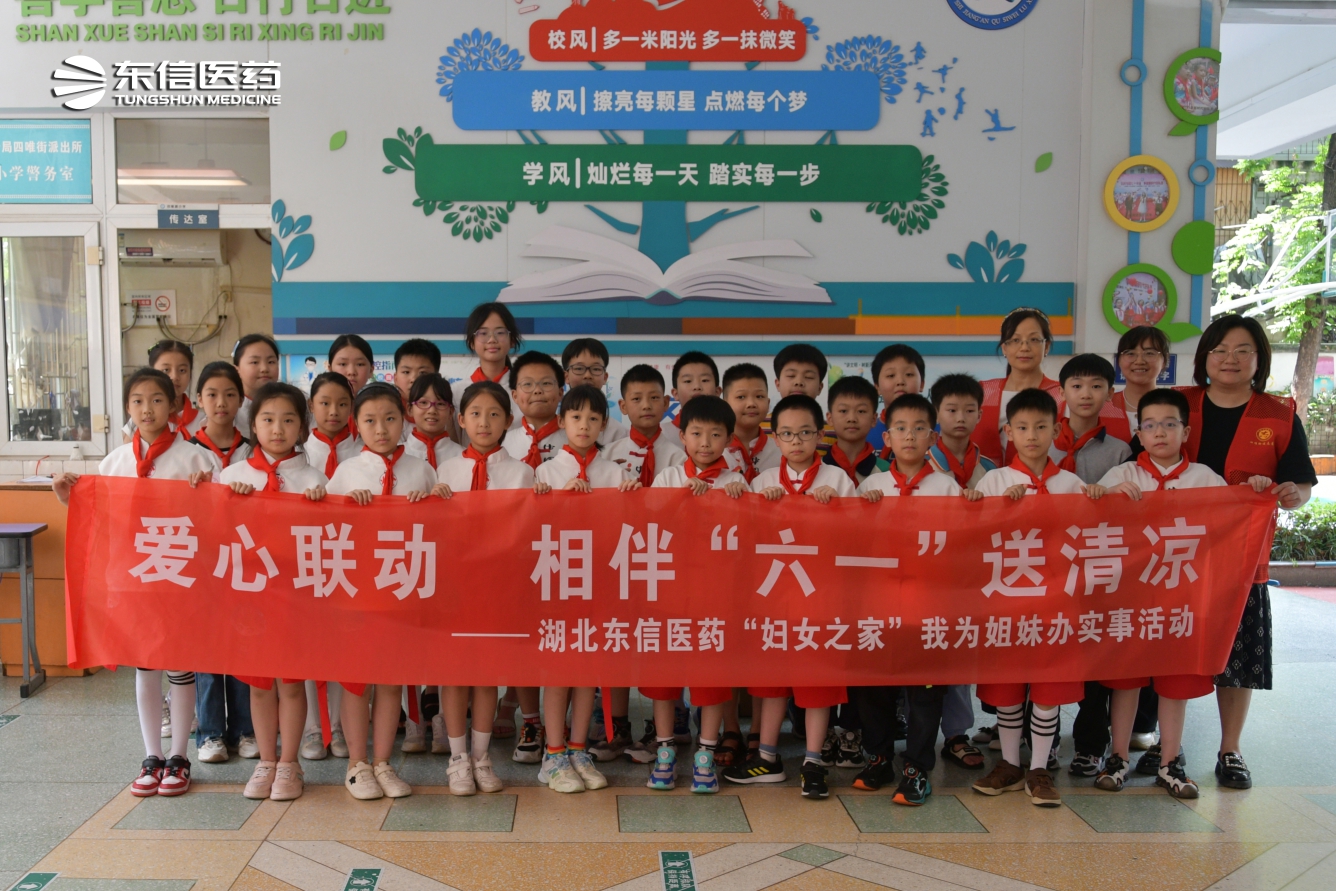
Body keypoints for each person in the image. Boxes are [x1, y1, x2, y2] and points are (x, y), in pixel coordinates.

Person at [54, 368, 215, 797]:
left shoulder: (196, 459)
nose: (148, 409)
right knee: (145, 664)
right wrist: (69, 497)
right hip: (135, 578)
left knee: (179, 665)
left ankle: (179, 756)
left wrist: (207, 488)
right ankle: (152, 755)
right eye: (138, 401)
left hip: (178, 577)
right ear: (128, 408)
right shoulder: (115, 462)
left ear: (174, 405)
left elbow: (218, 518)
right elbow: (100, 517)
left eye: (157, 400)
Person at [1174, 314, 1315, 789]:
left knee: (1237, 657)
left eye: (1242, 350)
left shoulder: (1278, 414)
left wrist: (1293, 493)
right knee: (1170, 648)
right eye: (1219, 350)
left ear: (1259, 359)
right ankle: (1166, 746)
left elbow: (1300, 484)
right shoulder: (1178, 404)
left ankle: (1230, 749)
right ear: (1204, 358)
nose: (1229, 359)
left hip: (1241, 559)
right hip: (1174, 556)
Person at [1092, 388, 1252, 799]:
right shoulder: (1121, 476)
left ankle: (1169, 761)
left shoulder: (1205, 479)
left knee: (1175, 682)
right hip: (1131, 600)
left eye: (1169, 424)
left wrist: (1258, 490)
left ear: (1186, 431)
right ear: (1138, 433)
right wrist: (1105, 496)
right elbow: (1088, 518)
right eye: (1149, 425)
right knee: (1126, 680)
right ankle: (1118, 756)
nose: (1159, 432)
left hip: (1184, 602)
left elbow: (1234, 521)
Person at [971, 388, 1102, 807]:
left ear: (1056, 430)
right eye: (1022, 427)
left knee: (1048, 690)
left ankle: (1040, 768)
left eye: (1041, 427)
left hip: (1056, 604)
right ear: (1008, 431)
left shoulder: (1071, 484)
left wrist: (1098, 502)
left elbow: (1088, 538)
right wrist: (997, 509)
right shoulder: (993, 481)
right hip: (1006, 603)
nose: (1032, 435)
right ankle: (1010, 764)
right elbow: (972, 538)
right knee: (1008, 689)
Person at [729, 394, 854, 798]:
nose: (796, 441)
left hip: (822, 598)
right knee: (772, 679)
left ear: (820, 434)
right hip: (774, 598)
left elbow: (858, 537)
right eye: (786, 433)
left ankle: (813, 761)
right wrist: (756, 508)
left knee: (817, 680)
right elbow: (746, 538)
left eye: (804, 433)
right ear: (775, 437)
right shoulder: (763, 482)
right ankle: (767, 757)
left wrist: (836, 509)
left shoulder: (838, 481)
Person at [326, 382, 439, 801]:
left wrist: (433, 501)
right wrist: (344, 507)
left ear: (404, 419)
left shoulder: (421, 469)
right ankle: (357, 764)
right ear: (356, 424)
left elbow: (440, 527)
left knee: (392, 678)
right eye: (370, 421)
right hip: (356, 590)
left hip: (402, 588)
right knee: (357, 680)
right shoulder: (345, 472)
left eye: (390, 419)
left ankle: (383, 762)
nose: (381, 429)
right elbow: (324, 531)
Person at [221, 383, 329, 802]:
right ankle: (266, 761)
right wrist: (226, 500)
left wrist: (321, 505)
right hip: (251, 597)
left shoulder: (315, 479)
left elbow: (330, 539)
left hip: (296, 596)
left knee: (291, 681)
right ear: (254, 425)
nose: (278, 429)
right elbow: (216, 532)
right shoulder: (232, 476)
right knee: (260, 683)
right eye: (268, 419)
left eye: (288, 420)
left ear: (302, 427)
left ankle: (289, 763)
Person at [856, 394, 965, 804]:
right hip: (879, 606)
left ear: (933, 437)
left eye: (920, 428)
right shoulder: (871, 487)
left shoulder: (947, 488)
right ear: (886, 437)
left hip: (928, 607)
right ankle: (879, 757)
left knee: (925, 691)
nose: (910, 436)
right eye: (900, 428)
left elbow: (964, 545)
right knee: (874, 687)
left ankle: (918, 767)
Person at [534, 386, 639, 793]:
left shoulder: (616, 473)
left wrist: (632, 499)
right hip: (559, 583)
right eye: (576, 417)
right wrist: (557, 501)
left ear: (604, 424)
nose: (584, 425)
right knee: (559, 670)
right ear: (561, 422)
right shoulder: (545, 472)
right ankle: (553, 754)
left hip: (601, 583)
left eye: (593, 418)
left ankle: (579, 749)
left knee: (588, 671)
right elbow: (533, 528)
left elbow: (631, 528)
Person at [436, 380, 538, 795]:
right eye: (475, 414)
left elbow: (529, 531)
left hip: (498, 588)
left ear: (508, 421)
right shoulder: (445, 470)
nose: (484, 422)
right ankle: (457, 758)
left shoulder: (522, 472)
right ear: (461, 420)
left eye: (494, 414)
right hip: (454, 589)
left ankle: (481, 756)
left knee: (487, 673)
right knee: (454, 673)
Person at [647, 395, 748, 792]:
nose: (705, 442)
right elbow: (649, 526)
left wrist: (739, 503)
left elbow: (748, 539)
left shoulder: (737, 483)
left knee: (711, 676)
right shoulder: (668, 478)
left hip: (716, 598)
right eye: (696, 433)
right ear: (682, 436)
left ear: (729, 439)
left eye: (715, 434)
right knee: (663, 676)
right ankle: (665, 751)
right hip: (670, 594)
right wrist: (679, 501)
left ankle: (705, 754)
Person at [595, 366, 687, 763]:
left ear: (667, 402)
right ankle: (617, 726)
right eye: (636, 399)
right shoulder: (608, 454)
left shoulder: (681, 453)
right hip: (619, 559)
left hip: (666, 560)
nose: (646, 405)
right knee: (616, 639)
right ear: (622, 405)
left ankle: (660, 727)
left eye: (654, 398)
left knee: (661, 642)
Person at [188, 361, 257, 765]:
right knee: (209, 649)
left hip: (246, 563)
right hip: (203, 564)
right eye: (212, 394)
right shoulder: (186, 451)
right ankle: (210, 733)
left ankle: (244, 730)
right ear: (199, 399)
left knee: (244, 645)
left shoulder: (254, 449)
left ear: (241, 399)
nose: (221, 402)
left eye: (230, 394)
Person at [296, 372, 359, 762]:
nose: (333, 411)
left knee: (343, 648)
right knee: (308, 647)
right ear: (311, 406)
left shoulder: (364, 451)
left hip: (350, 562)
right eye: (324, 403)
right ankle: (311, 728)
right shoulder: (300, 453)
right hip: (306, 561)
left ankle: (337, 726)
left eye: (342, 404)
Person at [973, 309, 1063, 466]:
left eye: (1034, 339)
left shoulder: (1061, 395)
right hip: (983, 479)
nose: (1024, 347)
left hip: (1042, 479)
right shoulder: (984, 392)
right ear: (1004, 347)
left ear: (1046, 346)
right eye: (1015, 340)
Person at [1052, 354, 1132, 480]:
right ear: (1062, 393)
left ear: (1109, 394)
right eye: (1077, 386)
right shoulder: (1044, 444)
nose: (1086, 395)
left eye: (1096, 386)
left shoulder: (1119, 451)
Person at [452, 302, 523, 440]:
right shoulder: (456, 391)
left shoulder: (523, 391)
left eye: (500, 333)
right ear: (472, 342)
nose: (492, 340)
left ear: (512, 340)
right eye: (483, 333)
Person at [123, 340, 205, 441]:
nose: (174, 377)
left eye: (182, 370)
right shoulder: (141, 420)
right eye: (166, 370)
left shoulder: (203, 421)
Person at [768, 344, 835, 456]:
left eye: (808, 377)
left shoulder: (832, 433)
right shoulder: (759, 429)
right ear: (777, 384)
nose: (799, 382)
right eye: (791, 375)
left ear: (820, 387)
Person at [504, 351, 568, 468]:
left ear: (560, 393)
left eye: (546, 383)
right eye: (527, 384)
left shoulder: (576, 439)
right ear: (515, 396)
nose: (537, 390)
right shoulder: (503, 443)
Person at [1110, 326, 1171, 443]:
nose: (1139, 361)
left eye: (1149, 353)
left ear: (1164, 360)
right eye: (1130, 353)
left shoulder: (1174, 406)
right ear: (1119, 360)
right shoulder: (1104, 406)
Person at [721, 363, 781, 483]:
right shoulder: (715, 450)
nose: (751, 404)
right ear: (725, 404)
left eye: (759, 396)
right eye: (741, 397)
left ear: (768, 403)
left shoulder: (781, 451)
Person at [561, 337, 627, 444]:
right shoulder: (553, 429)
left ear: (605, 377)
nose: (587, 375)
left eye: (596, 369)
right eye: (579, 368)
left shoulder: (619, 434)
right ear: (566, 376)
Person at [866, 344, 925, 454]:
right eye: (891, 375)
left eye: (909, 374)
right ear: (877, 387)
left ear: (922, 384)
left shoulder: (935, 433)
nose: (900, 381)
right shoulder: (865, 432)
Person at [823, 375, 880, 485]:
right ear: (830, 418)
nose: (852, 418)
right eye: (843, 411)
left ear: (874, 419)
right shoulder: (816, 469)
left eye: (861, 411)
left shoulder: (886, 470)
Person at [662, 351, 722, 446]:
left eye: (704, 380)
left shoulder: (728, 433)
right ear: (675, 394)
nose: (697, 386)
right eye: (688, 381)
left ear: (717, 391)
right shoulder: (662, 434)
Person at [404, 373, 461, 470]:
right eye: (423, 402)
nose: (432, 410)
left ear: (451, 412)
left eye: (440, 404)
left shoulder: (463, 456)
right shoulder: (397, 455)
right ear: (410, 409)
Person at [232, 334, 280, 438]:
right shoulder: (230, 409)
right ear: (236, 370)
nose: (264, 368)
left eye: (271, 362)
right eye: (254, 362)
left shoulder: (292, 403)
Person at [393, 338, 442, 407]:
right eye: (406, 372)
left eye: (423, 373)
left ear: (437, 379)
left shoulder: (446, 409)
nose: (414, 379)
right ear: (396, 378)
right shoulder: (386, 408)